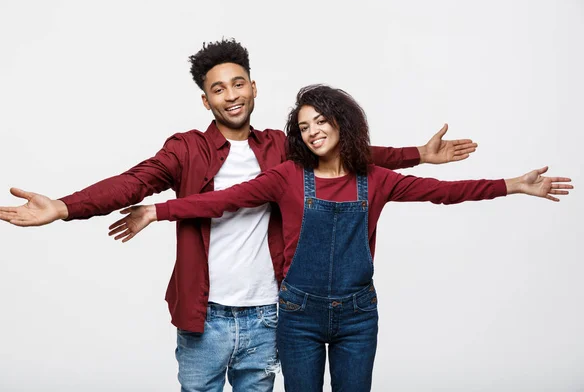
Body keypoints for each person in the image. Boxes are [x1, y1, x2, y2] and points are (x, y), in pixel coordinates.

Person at [0, 38, 482, 392]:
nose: (231, 95)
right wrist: (64, 207)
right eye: (218, 89)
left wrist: (417, 153)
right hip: (205, 316)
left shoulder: (281, 149)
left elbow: (343, 150)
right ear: (206, 100)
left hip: (272, 313)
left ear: (253, 88)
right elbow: (133, 181)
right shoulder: (186, 149)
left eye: (238, 83)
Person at [100, 84, 573, 392]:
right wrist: (157, 210)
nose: (313, 131)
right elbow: (219, 201)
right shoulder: (286, 176)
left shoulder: (378, 178)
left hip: (357, 315)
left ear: (341, 121)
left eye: (320, 121)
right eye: (304, 127)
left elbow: (444, 194)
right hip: (297, 315)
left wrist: (513, 185)